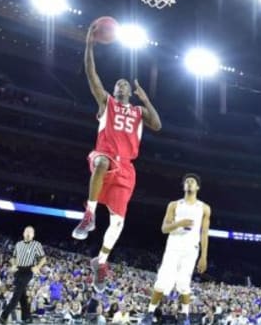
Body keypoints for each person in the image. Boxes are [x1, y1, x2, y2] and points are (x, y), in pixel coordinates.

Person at [72, 22, 162, 292]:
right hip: (106, 154)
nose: (122, 86)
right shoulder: (106, 102)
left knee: (119, 221)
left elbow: (157, 124)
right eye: (118, 84)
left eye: (125, 85)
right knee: (100, 162)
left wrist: (146, 100)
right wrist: (89, 45)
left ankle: (100, 261)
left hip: (127, 168)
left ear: (130, 91)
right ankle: (89, 215)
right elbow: (91, 74)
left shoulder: (137, 111)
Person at [140, 173, 211, 325]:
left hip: (191, 249)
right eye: (187, 182)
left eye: (192, 182)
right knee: (161, 281)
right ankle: (149, 312)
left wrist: (204, 256)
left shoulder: (204, 208)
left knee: (184, 283)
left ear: (197, 187)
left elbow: (204, 233)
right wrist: (179, 223)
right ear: (184, 186)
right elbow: (164, 229)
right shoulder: (174, 205)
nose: (190, 183)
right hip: (173, 246)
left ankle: (184, 316)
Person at [0, 226, 47, 324]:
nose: (28, 233)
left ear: (33, 235)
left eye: (30, 232)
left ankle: (4, 315)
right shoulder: (18, 244)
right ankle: (26, 317)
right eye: (26, 231)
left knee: (17, 293)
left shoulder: (36, 244)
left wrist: (37, 267)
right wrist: (13, 265)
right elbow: (13, 257)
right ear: (23, 233)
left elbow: (43, 258)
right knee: (22, 295)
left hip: (28, 270)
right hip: (19, 270)